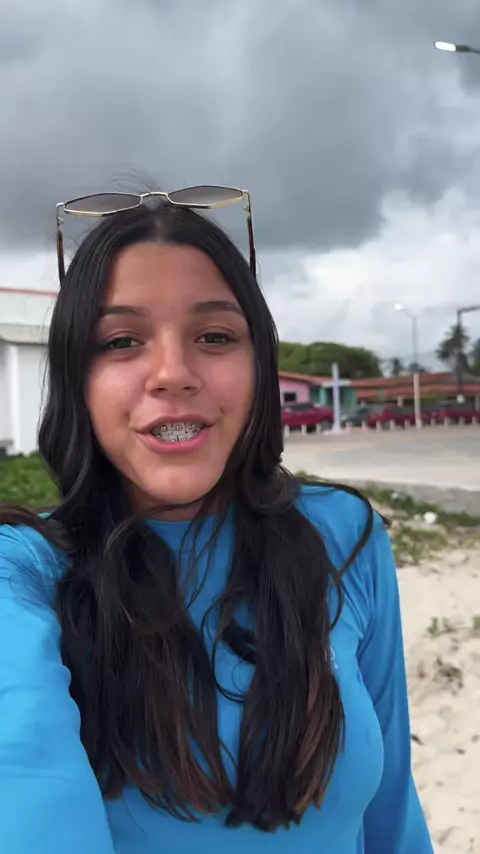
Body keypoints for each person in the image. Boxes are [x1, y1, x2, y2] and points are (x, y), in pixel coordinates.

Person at [0, 187, 433, 854]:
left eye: (214, 336)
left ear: (259, 363)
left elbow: (393, 815)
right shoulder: (22, 570)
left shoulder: (345, 536)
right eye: (121, 341)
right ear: (75, 379)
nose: (173, 373)